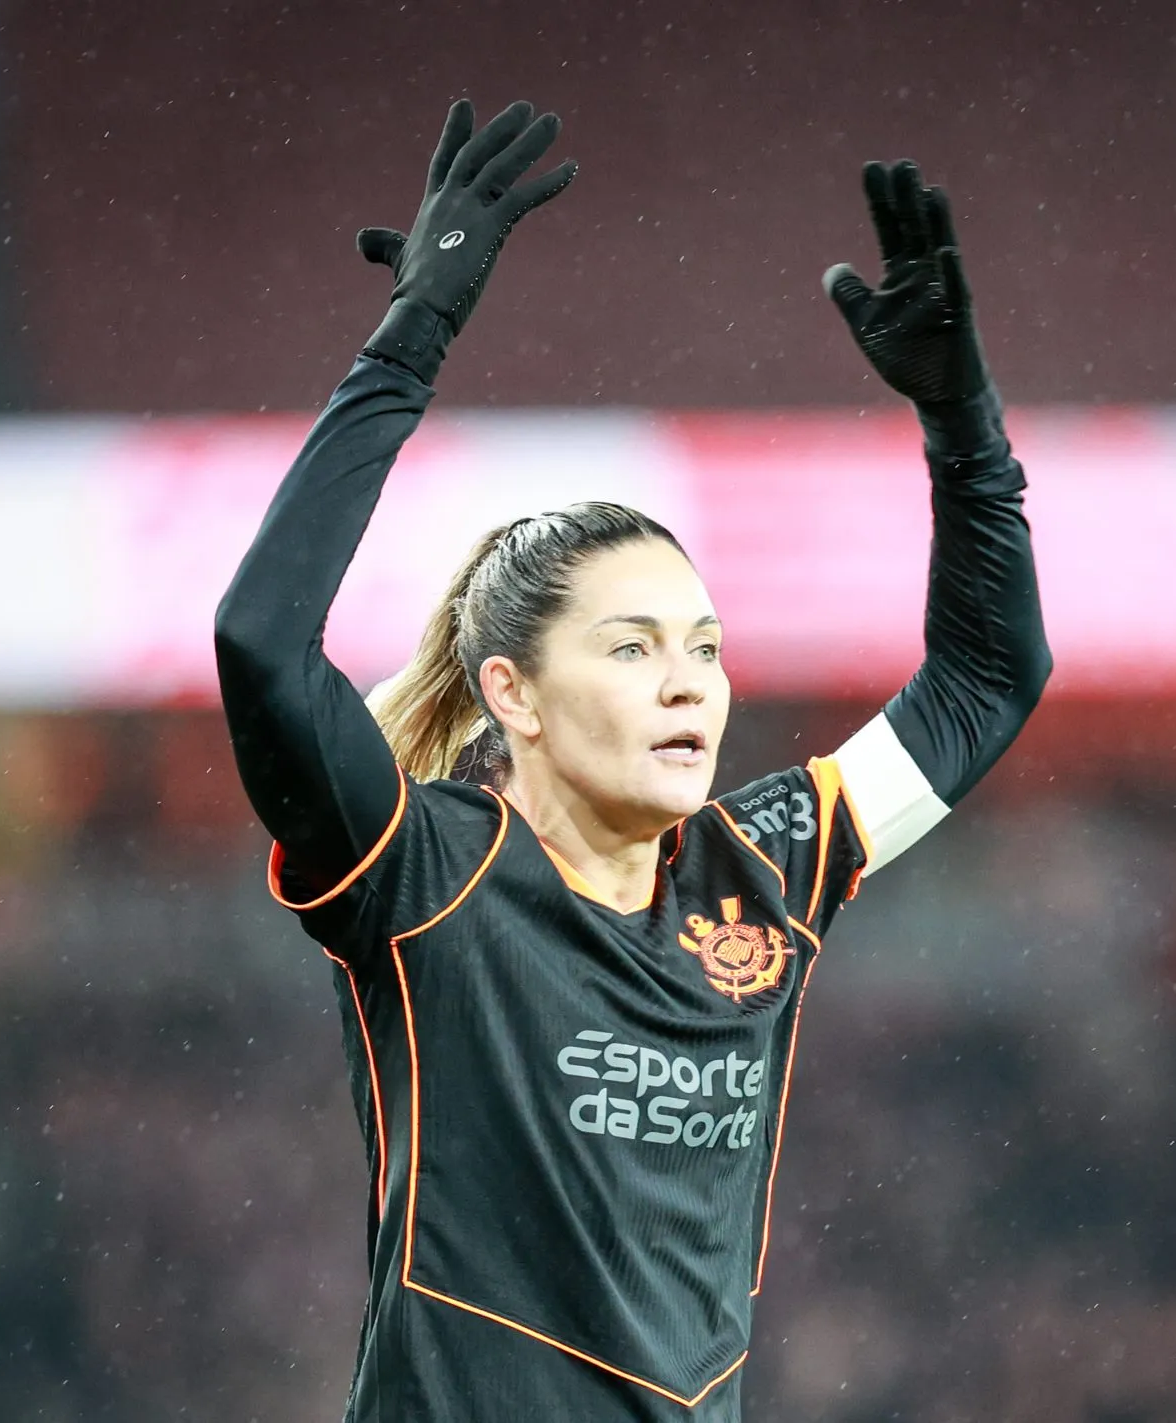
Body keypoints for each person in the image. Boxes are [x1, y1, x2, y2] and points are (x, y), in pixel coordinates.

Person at [214, 98, 1048, 1421]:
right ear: (515, 694)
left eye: (705, 647)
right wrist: (408, 337)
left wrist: (961, 422)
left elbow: (989, 679)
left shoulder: (766, 863)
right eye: (632, 647)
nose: (687, 683)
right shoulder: (422, 868)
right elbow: (260, 643)